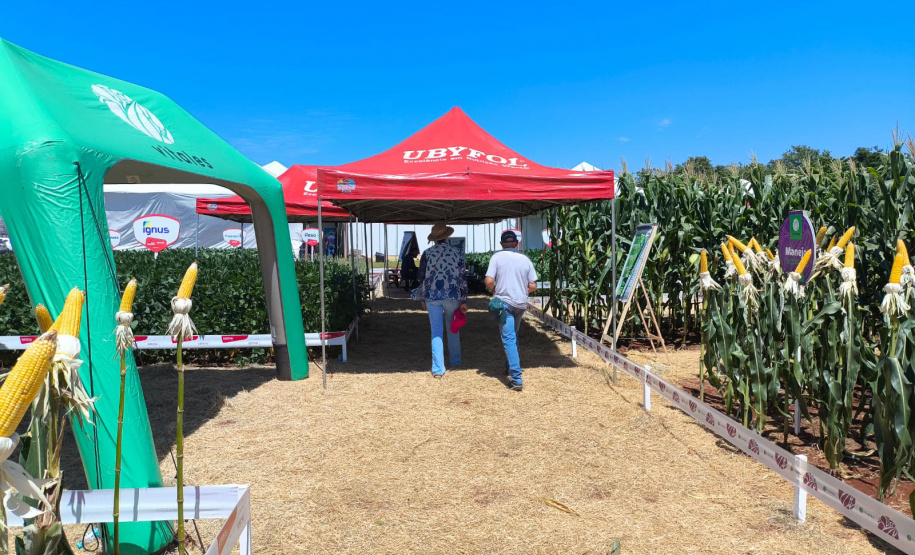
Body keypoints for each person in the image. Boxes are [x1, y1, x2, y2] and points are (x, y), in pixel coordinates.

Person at [485, 230, 537, 391]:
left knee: (508, 339)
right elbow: (533, 286)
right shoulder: (525, 259)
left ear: (501, 244)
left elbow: (488, 280)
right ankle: (508, 367)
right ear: (516, 243)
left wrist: (495, 290)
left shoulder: (496, 257)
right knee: (512, 337)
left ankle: (516, 379)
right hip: (521, 304)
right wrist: (521, 292)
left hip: (504, 303)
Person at [416, 223, 468, 378]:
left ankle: (438, 369)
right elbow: (462, 277)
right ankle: (456, 361)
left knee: (436, 331)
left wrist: (422, 297)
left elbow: (420, 277)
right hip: (453, 295)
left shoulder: (427, 253)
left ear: (434, 239)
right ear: (447, 236)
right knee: (453, 328)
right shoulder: (457, 253)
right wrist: (464, 299)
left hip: (432, 296)